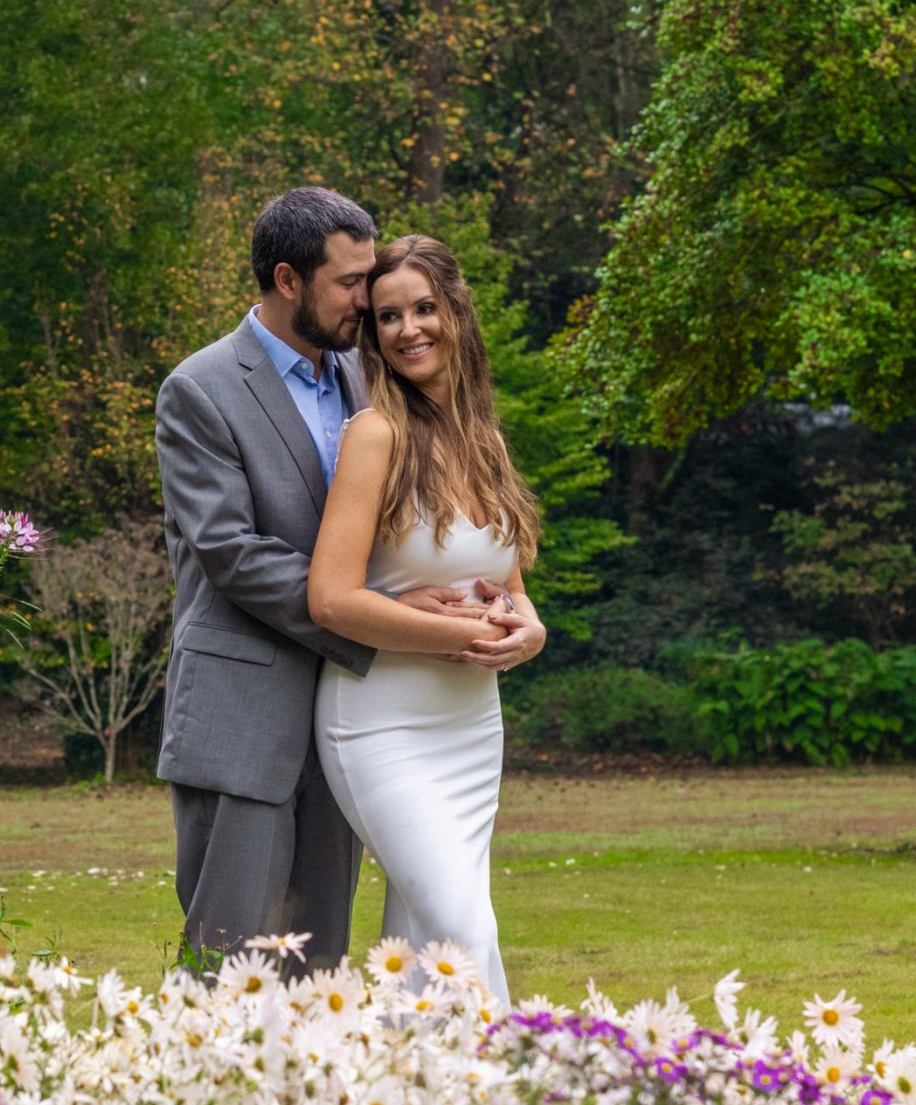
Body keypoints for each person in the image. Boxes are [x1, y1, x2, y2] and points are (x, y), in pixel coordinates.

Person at [154, 190, 495, 975]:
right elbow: (230, 550)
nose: (367, 297)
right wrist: (370, 609)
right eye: (349, 282)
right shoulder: (200, 389)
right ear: (287, 279)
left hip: (353, 719)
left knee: (322, 972)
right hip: (246, 720)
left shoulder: (369, 376)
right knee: (230, 966)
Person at [308, 233, 547, 1005]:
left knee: (418, 945)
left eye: (423, 308)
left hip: (472, 729)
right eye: (387, 316)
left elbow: (506, 583)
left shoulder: (485, 439)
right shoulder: (375, 435)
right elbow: (332, 599)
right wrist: (459, 635)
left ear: (455, 312)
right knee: (464, 932)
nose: (409, 328)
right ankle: (520, 1081)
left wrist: (529, 631)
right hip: (382, 727)